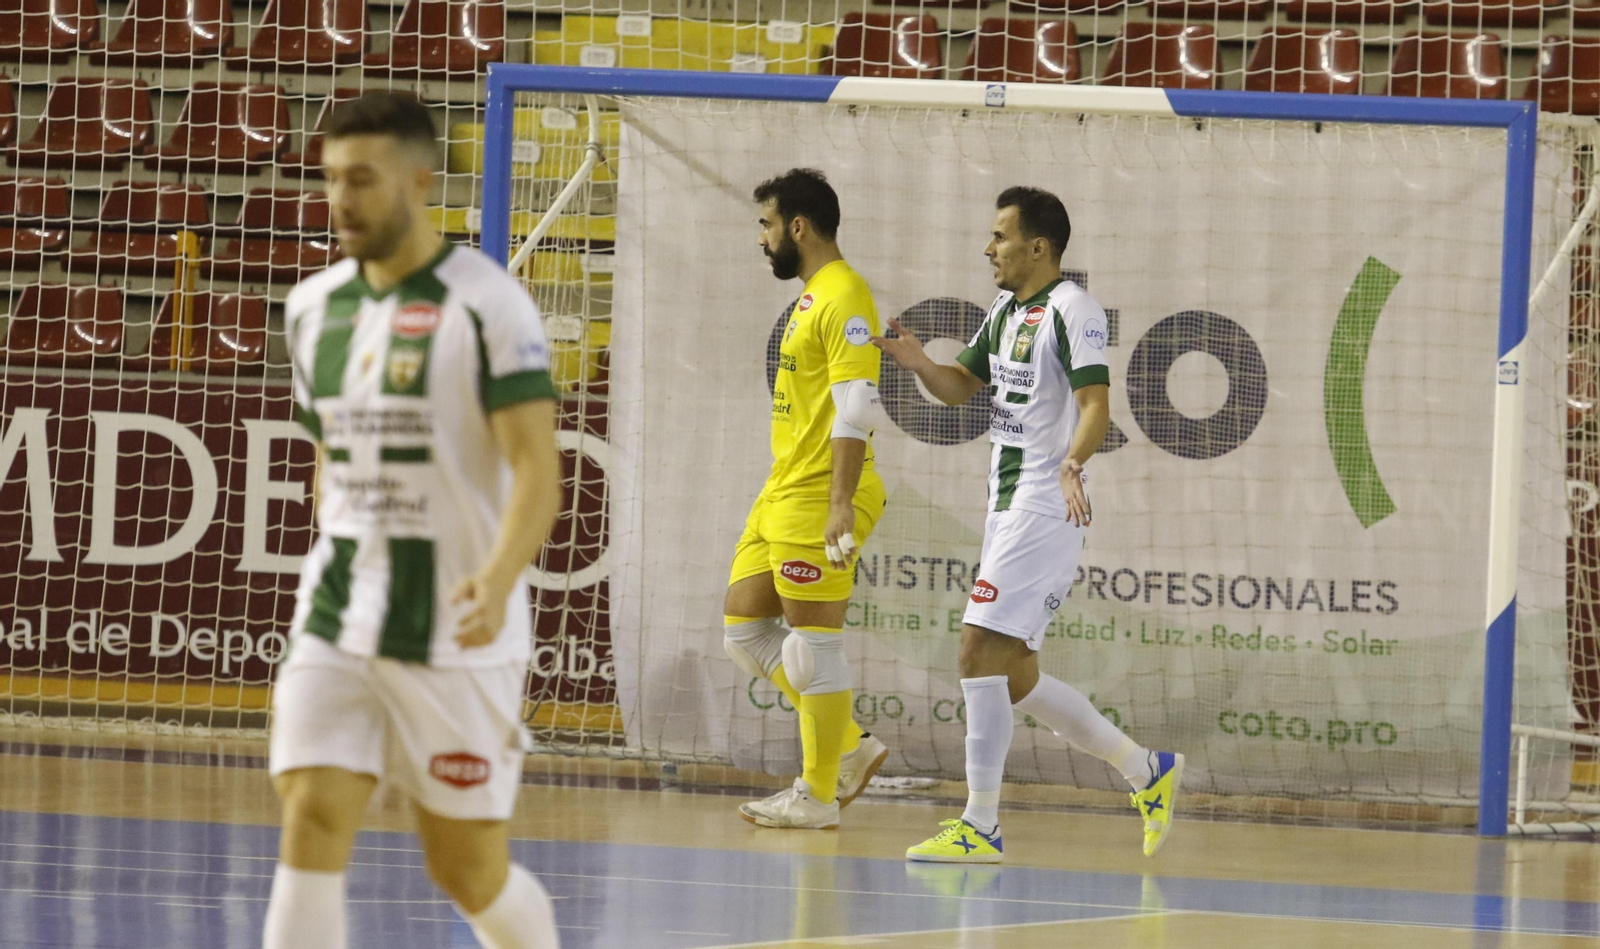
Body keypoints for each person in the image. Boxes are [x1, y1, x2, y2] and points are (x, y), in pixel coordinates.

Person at [262, 92, 565, 948]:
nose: (340, 201)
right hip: (339, 605)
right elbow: (327, 449)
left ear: (420, 180)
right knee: (313, 813)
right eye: (329, 180)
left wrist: (501, 577)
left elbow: (537, 468)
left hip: (457, 626)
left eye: (361, 179)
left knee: (463, 867)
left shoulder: (488, 304)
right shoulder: (313, 307)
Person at [873, 186, 1182, 863]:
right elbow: (963, 386)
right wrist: (920, 362)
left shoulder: (1074, 310)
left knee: (975, 651)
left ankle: (980, 824)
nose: (989, 248)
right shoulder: (1007, 309)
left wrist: (1073, 460)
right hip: (1005, 504)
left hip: (1045, 503)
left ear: (1037, 247)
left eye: (1000, 237)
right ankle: (1146, 769)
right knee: (1014, 677)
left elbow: (1096, 404)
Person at [725, 168, 892, 829]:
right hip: (784, 485)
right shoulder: (811, 296)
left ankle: (818, 796)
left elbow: (857, 405)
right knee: (744, 631)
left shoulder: (845, 294)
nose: (761, 239)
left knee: (811, 646)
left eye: (766, 225)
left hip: (822, 487)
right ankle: (850, 743)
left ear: (798, 226)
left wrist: (840, 500)